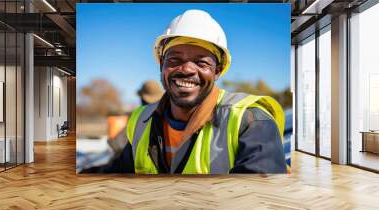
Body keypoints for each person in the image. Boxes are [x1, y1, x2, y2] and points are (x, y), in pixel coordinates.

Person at [82, 9, 287, 174]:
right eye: (174, 60)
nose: (187, 69)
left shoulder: (251, 121)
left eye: (201, 62)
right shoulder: (141, 121)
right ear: (161, 66)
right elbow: (119, 173)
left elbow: (259, 204)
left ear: (217, 71)